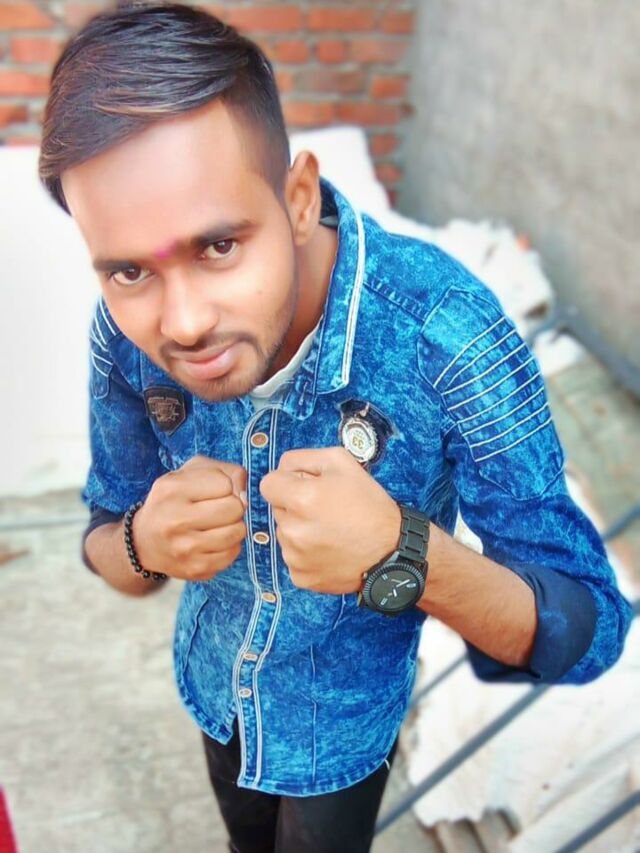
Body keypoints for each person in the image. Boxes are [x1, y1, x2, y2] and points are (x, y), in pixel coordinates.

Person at [38, 3, 632, 852]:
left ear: (298, 196)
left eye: (218, 247)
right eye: (129, 270)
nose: (185, 321)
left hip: (345, 732)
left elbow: (590, 625)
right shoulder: (124, 337)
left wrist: (405, 554)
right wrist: (142, 542)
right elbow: (105, 537)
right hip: (213, 691)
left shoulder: (446, 334)